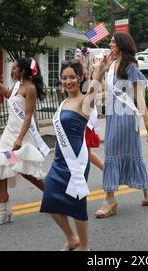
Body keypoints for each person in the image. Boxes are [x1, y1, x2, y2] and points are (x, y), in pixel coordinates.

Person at [40, 58, 109, 251]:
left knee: (77, 204)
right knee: (49, 200)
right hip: (60, 159)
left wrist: (100, 72)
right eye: (64, 78)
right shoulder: (65, 102)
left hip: (76, 160)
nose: (68, 81)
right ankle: (71, 238)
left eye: (72, 77)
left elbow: (94, 90)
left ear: (80, 78)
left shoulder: (84, 101)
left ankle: (84, 247)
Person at [94, 32, 148, 218]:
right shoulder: (111, 65)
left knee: (112, 153)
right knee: (120, 153)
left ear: (122, 45)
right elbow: (110, 94)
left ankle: (109, 201)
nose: (110, 44)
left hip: (126, 117)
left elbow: (139, 96)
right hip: (113, 117)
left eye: (113, 41)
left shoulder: (131, 67)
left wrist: (147, 122)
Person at [0, 58, 48, 225]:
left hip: (20, 135)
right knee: (0, 167)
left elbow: (28, 116)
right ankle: (5, 211)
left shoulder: (30, 88)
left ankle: (52, 195)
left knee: (25, 172)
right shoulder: (16, 86)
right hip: (9, 135)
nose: (11, 70)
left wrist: (20, 139)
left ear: (22, 71)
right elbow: (7, 94)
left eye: (14, 68)